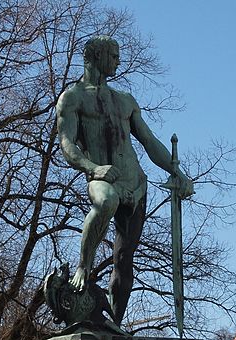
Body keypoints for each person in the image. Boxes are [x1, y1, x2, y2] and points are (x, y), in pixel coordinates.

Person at [56, 36, 194, 325]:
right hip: (103, 177)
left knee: (123, 261)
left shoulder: (125, 101)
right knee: (106, 201)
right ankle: (84, 266)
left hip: (135, 183)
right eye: (114, 55)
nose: (118, 60)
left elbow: (148, 141)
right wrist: (92, 167)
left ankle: (115, 325)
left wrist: (176, 172)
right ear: (96, 56)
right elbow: (67, 145)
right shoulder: (73, 97)